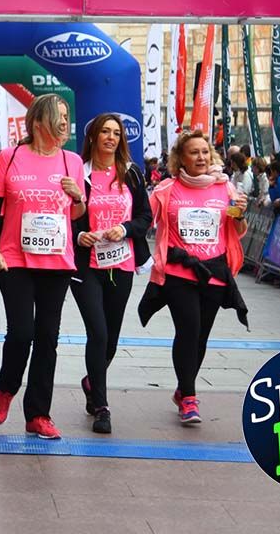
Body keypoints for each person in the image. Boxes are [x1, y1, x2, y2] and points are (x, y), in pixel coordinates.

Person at [0, 94, 86, 440]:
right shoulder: (10, 157)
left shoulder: (72, 161)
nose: (65, 121)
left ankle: (38, 414)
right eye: (59, 114)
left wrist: (78, 197)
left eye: (67, 115)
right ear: (38, 120)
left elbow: (76, 214)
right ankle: (7, 387)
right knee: (21, 332)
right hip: (14, 259)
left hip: (57, 262)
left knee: (47, 338)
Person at [138, 130, 248, 426]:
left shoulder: (225, 188)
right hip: (178, 272)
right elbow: (142, 219)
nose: (201, 157)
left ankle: (182, 387)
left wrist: (240, 215)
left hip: (214, 272)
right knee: (188, 329)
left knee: (200, 336)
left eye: (205, 152)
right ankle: (189, 396)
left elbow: (238, 230)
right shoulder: (166, 189)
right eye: (194, 152)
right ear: (180, 159)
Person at [71, 113, 152, 435]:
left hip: (121, 264)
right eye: (104, 132)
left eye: (116, 133)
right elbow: (65, 215)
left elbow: (145, 216)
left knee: (112, 340)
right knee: (98, 333)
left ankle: (92, 381)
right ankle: (102, 407)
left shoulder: (131, 173)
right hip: (86, 266)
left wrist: (125, 228)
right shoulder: (79, 172)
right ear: (93, 136)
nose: (110, 138)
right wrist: (80, 235)